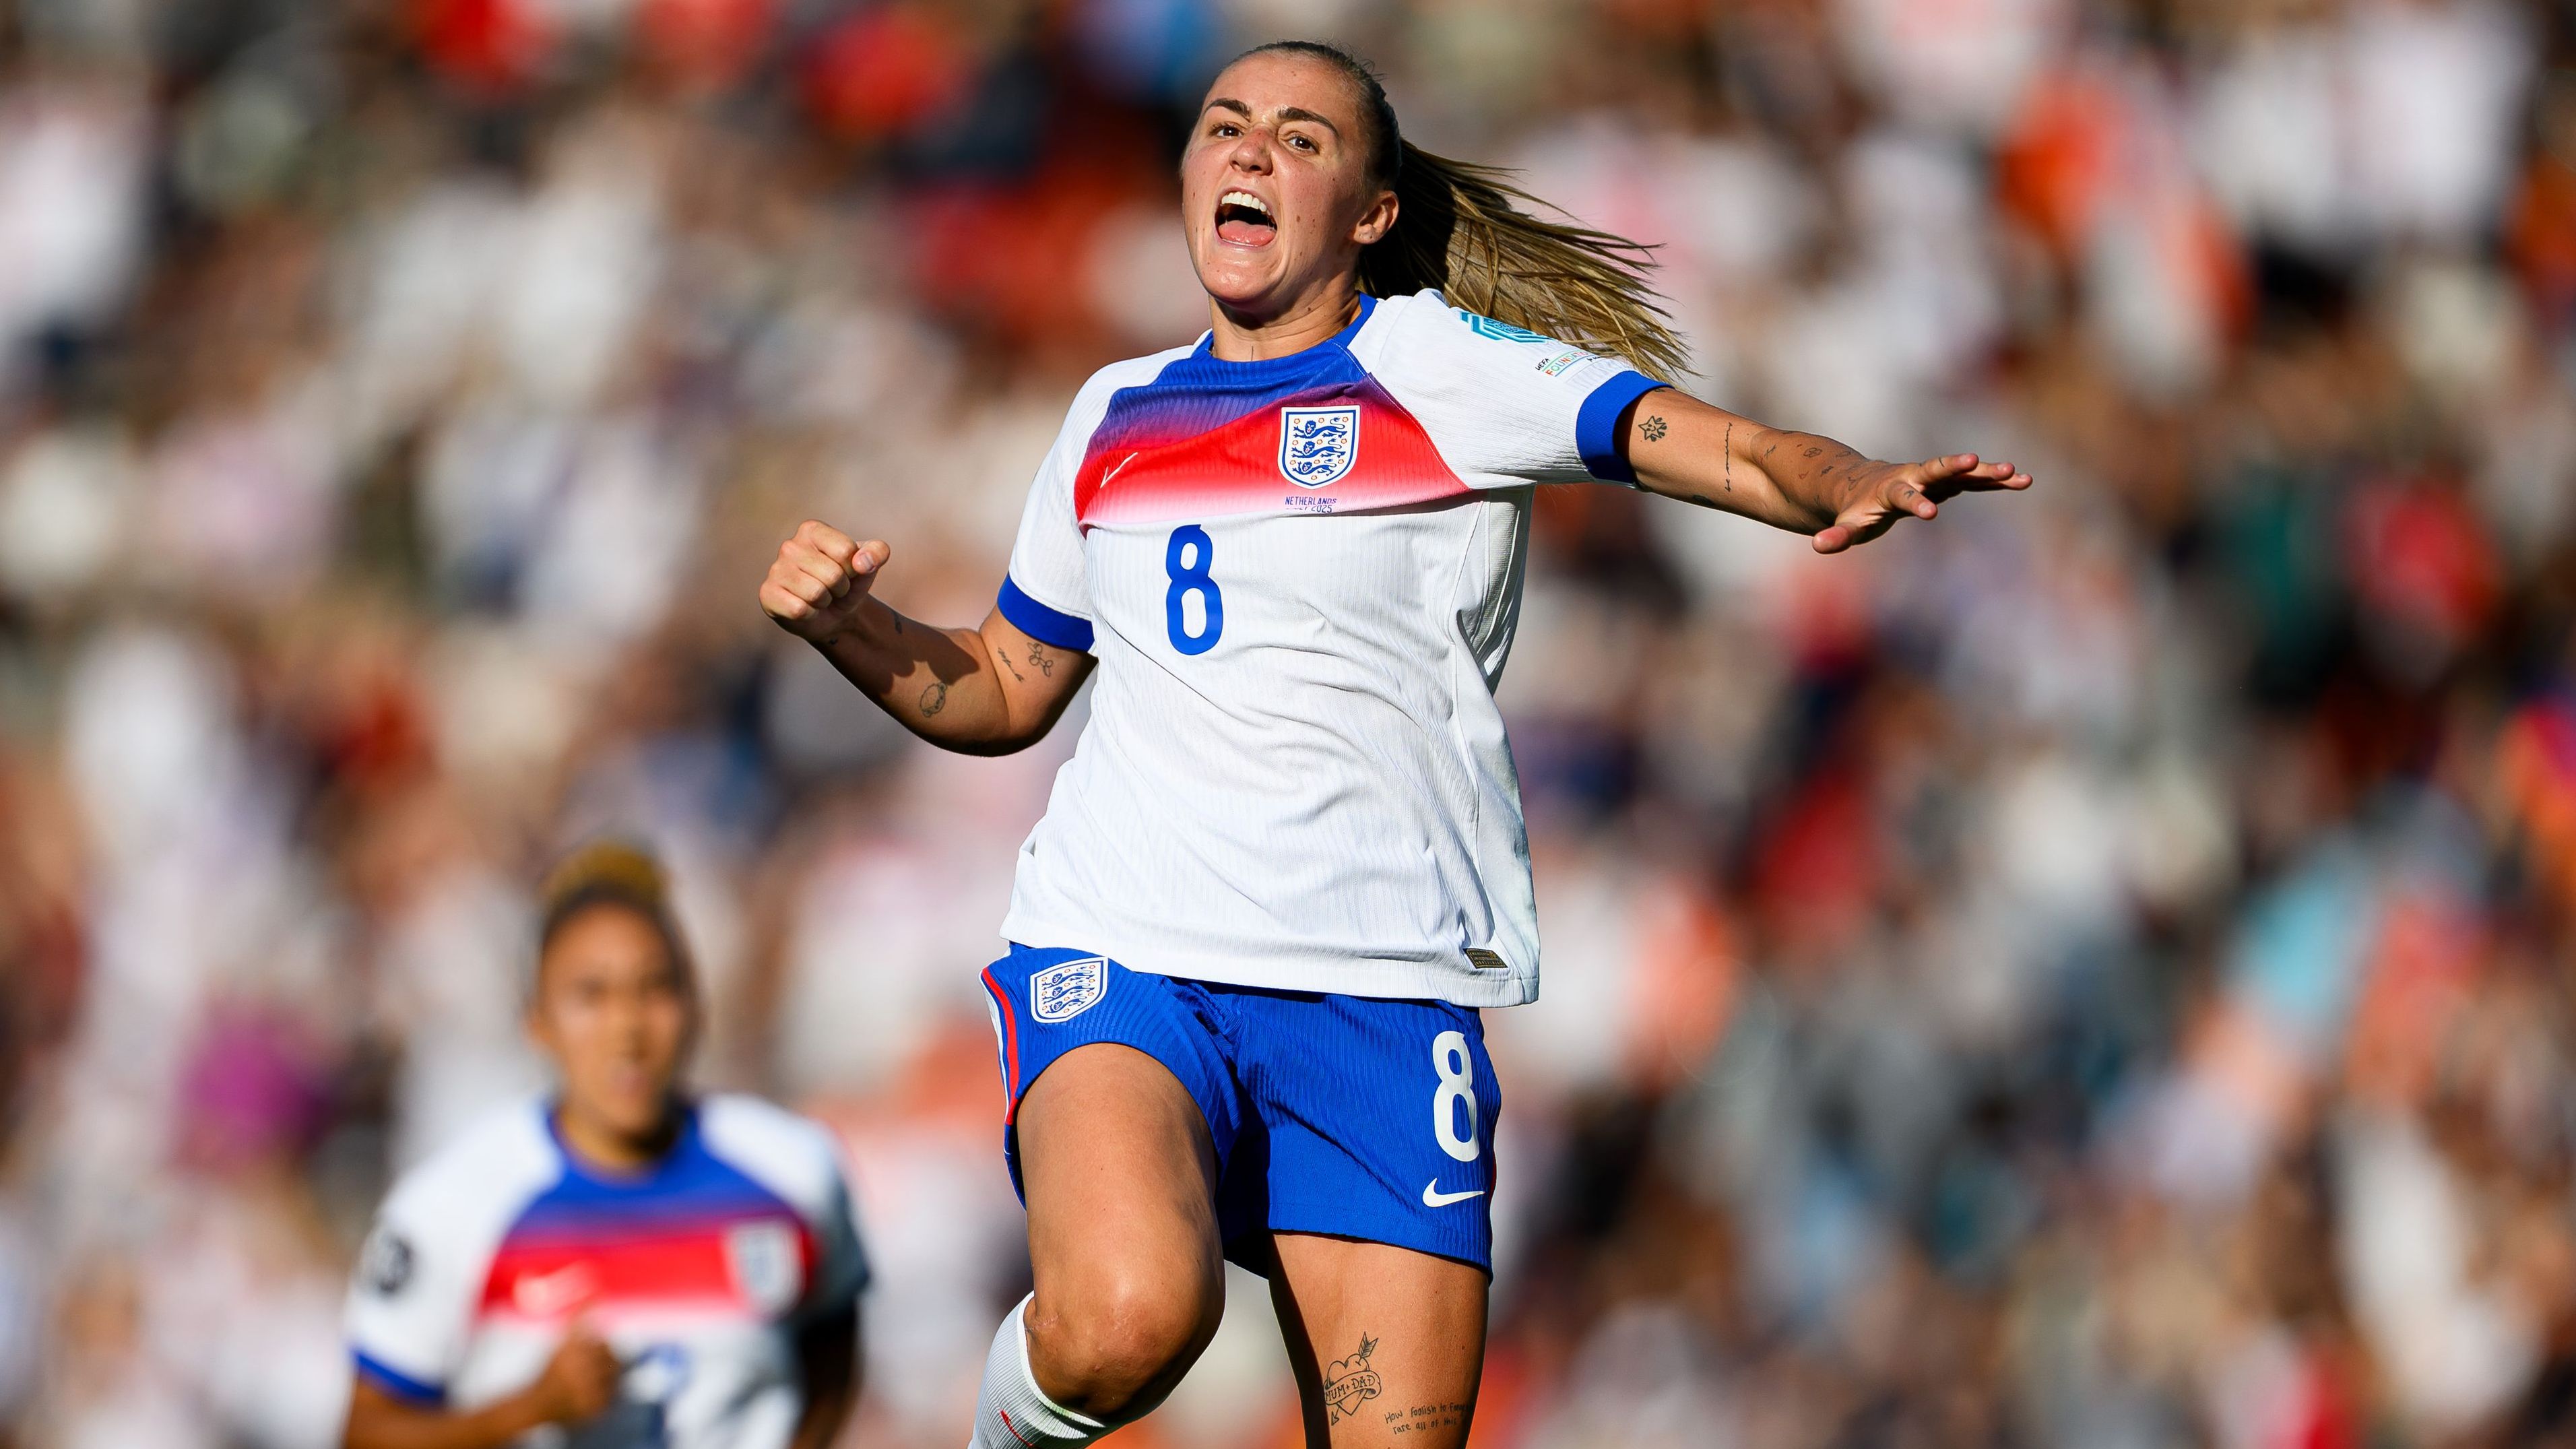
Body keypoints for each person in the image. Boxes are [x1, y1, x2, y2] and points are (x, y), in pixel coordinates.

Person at [758, 38, 2028, 1449]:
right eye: (1224, 126)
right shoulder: (1111, 415)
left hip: (1379, 992)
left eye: (1300, 138)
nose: (1248, 152)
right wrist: (851, 628)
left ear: (1370, 210)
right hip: (1125, 952)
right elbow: (1001, 687)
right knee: (1129, 1316)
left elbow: (1685, 439)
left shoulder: (1449, 373)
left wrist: (1835, 477)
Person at [339, 841, 868, 1449]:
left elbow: (834, 1343)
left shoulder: (796, 1170)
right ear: (536, 1020)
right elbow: (364, 1435)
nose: (628, 1029)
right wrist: (528, 1408)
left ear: (696, 1004)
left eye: (655, 989)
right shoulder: (451, 1204)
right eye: (592, 995)